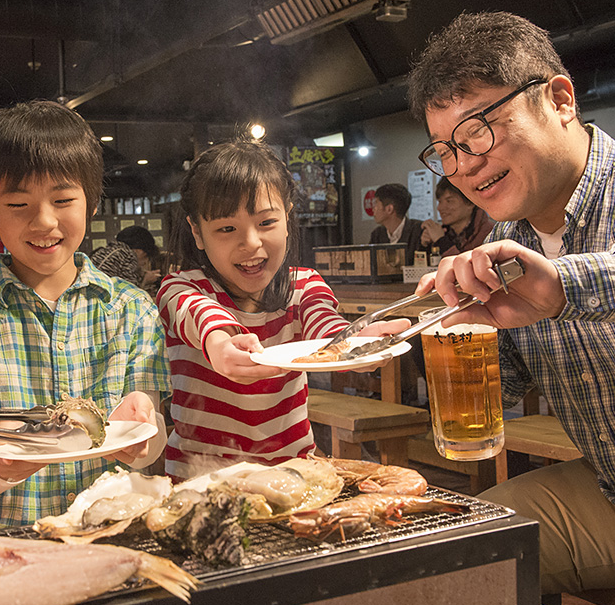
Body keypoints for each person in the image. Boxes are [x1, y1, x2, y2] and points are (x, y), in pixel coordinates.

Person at [408, 10, 615, 598]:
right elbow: (514, 378)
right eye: (445, 150)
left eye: (476, 132)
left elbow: (563, 289)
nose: (463, 166)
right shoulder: (511, 247)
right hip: (606, 493)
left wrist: (562, 288)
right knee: (446, 565)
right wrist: (443, 340)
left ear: (560, 99)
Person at [0, 100, 170, 532]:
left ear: (90, 202)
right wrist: (2, 462)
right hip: (2, 544)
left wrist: (143, 431)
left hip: (107, 536)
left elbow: (152, 442)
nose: (44, 221)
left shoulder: (132, 308)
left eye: (62, 200)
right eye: (19, 204)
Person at [156, 140, 409, 480]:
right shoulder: (182, 287)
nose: (251, 243)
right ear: (197, 232)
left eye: (266, 223)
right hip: (199, 482)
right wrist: (220, 341)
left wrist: (352, 343)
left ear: (287, 218)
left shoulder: (303, 286)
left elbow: (326, 323)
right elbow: (196, 312)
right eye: (227, 229)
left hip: (293, 475)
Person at [420, 178, 494, 257]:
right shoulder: (445, 232)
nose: (440, 208)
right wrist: (425, 246)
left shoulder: (490, 234)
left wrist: (441, 241)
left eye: (449, 201)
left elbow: (470, 266)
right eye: (440, 201)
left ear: (470, 202)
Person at [369, 182, 424, 259]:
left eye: (376, 204)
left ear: (389, 209)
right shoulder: (377, 235)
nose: (373, 209)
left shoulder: (418, 231)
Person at [117, 224, 163, 295]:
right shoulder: (127, 260)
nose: (144, 263)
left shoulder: (114, 256)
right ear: (139, 251)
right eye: (146, 256)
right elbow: (129, 297)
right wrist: (145, 281)